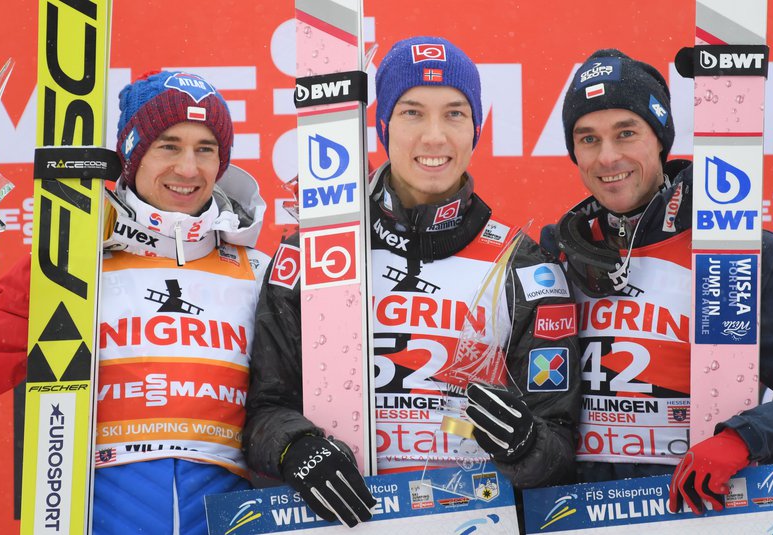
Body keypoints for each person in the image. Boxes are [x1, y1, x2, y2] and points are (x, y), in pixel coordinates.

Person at [0, 71, 270, 534]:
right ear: (132, 155)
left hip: (235, 516)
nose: (189, 169)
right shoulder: (67, 267)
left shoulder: (262, 272)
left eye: (205, 149)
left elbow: (286, 410)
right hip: (96, 512)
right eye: (168, 146)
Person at [244, 36, 581, 527]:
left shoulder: (525, 266)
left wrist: (528, 444)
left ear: (477, 129)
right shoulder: (313, 251)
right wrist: (295, 447)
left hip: (468, 520)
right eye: (412, 112)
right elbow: (261, 411)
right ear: (382, 125)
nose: (434, 137)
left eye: (455, 113)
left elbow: (561, 450)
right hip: (341, 519)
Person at [541, 48, 773, 514]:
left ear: (660, 139)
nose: (607, 156)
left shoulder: (739, 252)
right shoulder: (552, 252)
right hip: (575, 515)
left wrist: (745, 438)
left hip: (695, 513)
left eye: (626, 133)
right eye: (587, 138)